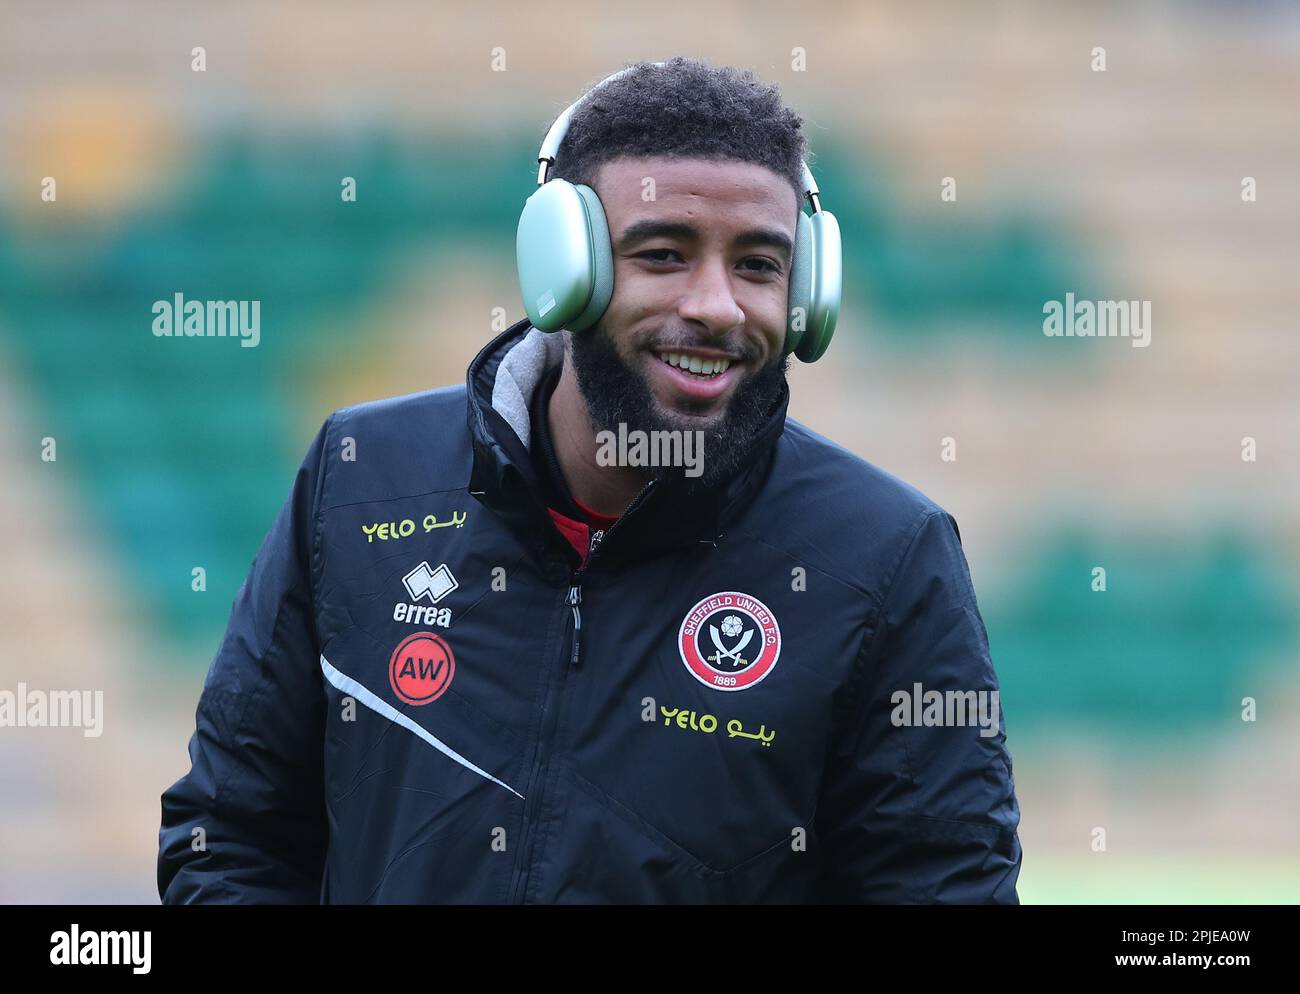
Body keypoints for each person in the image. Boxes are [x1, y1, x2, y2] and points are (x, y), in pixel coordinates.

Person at [158, 56, 1022, 904]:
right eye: (663, 253)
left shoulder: (885, 556)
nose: (717, 305)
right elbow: (230, 839)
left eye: (759, 265)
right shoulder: (361, 478)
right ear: (564, 273)